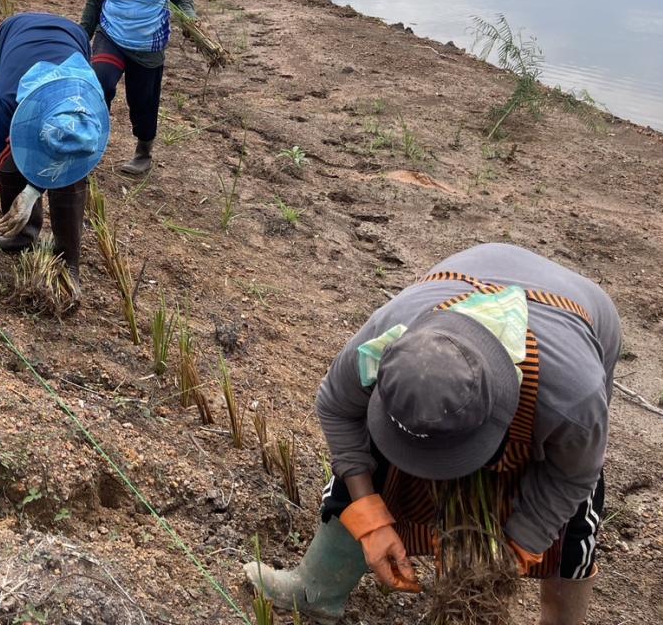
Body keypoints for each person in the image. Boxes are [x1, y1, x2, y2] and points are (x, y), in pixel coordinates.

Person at [245, 243, 620, 625]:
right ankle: (316, 589)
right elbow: (336, 407)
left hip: (572, 313)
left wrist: (515, 549)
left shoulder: (572, 398)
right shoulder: (385, 339)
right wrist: (369, 518)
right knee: (367, 459)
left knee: (572, 519)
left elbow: (573, 475)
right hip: (465, 278)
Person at [0, 12, 110, 303]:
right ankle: (22, 235)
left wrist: (31, 192)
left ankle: (68, 263)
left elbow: (66, 151)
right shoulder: (9, 107)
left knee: (72, 169)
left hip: (72, 38)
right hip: (11, 35)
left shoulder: (90, 105)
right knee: (13, 153)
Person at [80, 0, 196, 176]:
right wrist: (82, 35)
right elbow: (95, 0)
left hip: (149, 43)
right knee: (99, 83)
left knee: (143, 101)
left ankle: (143, 151)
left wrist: (192, 23)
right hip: (111, 36)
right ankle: (88, 144)